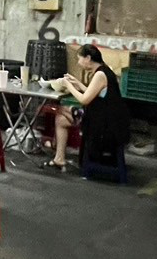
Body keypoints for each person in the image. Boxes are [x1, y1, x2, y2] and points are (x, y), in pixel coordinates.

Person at [47, 45, 132, 173]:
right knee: (62, 113)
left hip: (104, 125)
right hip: (111, 119)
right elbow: (93, 92)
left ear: (88, 58)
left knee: (60, 116)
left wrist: (68, 85)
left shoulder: (100, 75)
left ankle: (59, 157)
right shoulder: (105, 70)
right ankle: (58, 158)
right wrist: (77, 83)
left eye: (79, 59)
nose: (78, 62)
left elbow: (84, 99)